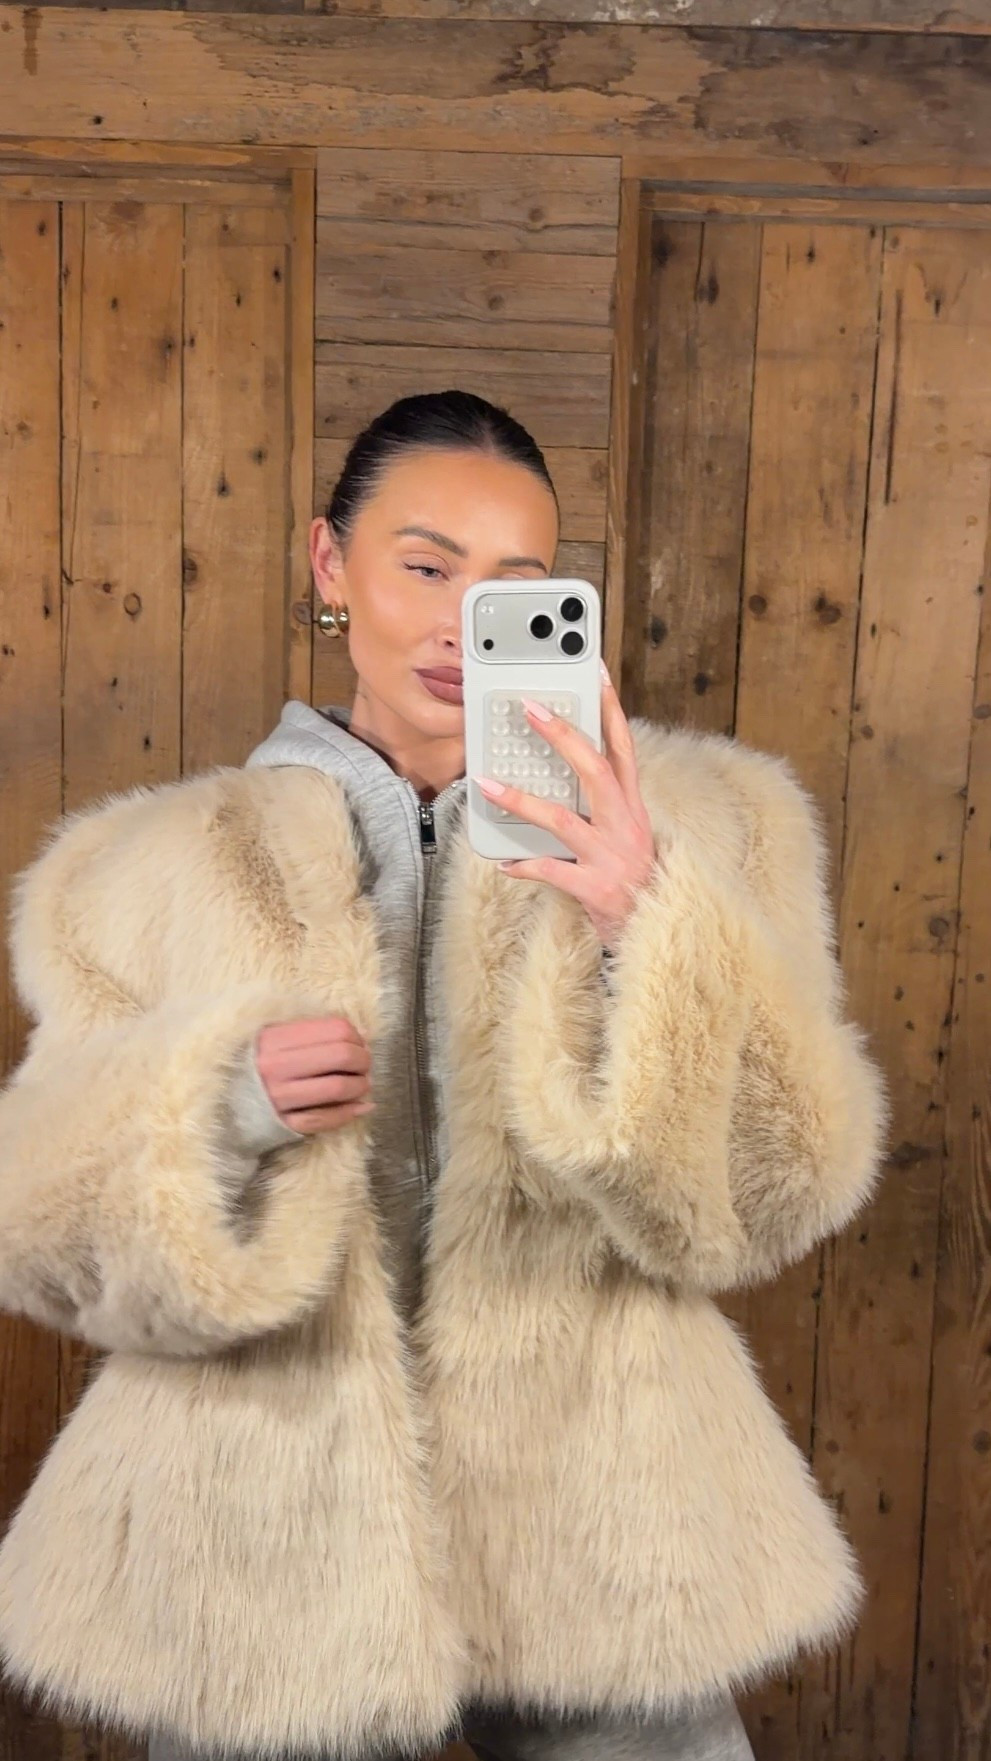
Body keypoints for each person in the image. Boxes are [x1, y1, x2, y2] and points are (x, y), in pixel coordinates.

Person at [0, 392, 888, 1761]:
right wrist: (216, 1104)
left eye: (514, 588)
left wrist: (648, 922)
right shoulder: (140, 874)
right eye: (426, 566)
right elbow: (41, 1233)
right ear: (329, 564)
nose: (465, 626)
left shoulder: (715, 830)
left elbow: (785, 1188)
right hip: (263, 1533)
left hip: (603, 1511)